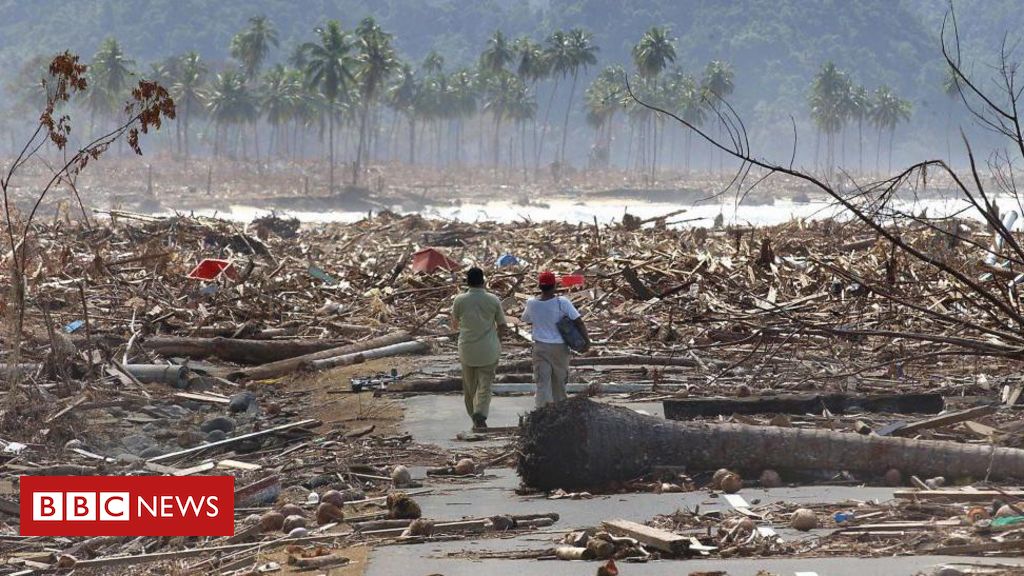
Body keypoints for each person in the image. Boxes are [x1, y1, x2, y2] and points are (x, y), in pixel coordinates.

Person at [522, 270, 590, 407]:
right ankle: (560, 412)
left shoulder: (531, 303)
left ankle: (542, 412)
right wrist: (586, 341)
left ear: (539, 286)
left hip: (540, 347)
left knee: (542, 382)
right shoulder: (562, 302)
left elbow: (526, 319)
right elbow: (578, 321)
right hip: (559, 348)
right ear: (554, 286)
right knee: (559, 383)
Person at [451, 267, 507, 428]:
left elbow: (454, 325)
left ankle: (474, 416)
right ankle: (480, 413)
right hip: (489, 349)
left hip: (467, 349)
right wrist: (498, 340)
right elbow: (502, 325)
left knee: (469, 387)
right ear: (483, 281)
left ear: (467, 282)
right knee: (485, 385)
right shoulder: (493, 300)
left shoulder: (459, 300)